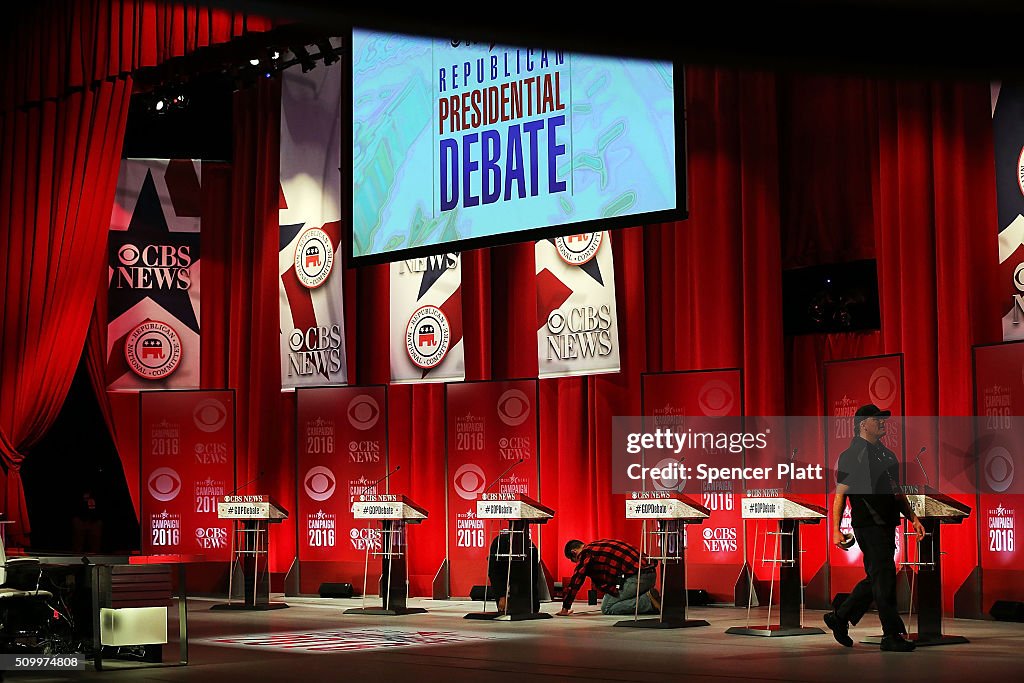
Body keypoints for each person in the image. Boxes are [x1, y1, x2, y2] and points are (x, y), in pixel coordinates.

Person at [823, 403, 925, 652]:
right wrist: (835, 529)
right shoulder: (852, 455)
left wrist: (913, 517)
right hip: (868, 524)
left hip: (888, 522)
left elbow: (897, 492)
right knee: (884, 577)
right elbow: (840, 495)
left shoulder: (887, 454)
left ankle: (840, 616)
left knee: (879, 577)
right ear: (862, 425)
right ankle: (891, 635)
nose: (882, 423)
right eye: (876, 419)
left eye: (883, 419)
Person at [556, 538, 660, 616]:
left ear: (574, 552)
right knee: (612, 596)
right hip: (650, 573)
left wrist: (565, 608)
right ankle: (648, 595)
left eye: (572, 560)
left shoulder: (585, 554)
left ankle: (648, 601)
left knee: (607, 607)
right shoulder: (598, 544)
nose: (575, 563)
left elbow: (576, 581)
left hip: (638, 577)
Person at [486, 527, 541, 614]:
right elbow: (494, 573)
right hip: (504, 571)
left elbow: (533, 578)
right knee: (506, 609)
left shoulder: (531, 547)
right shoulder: (500, 544)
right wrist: (501, 596)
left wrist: (534, 603)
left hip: (522, 579)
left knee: (529, 608)